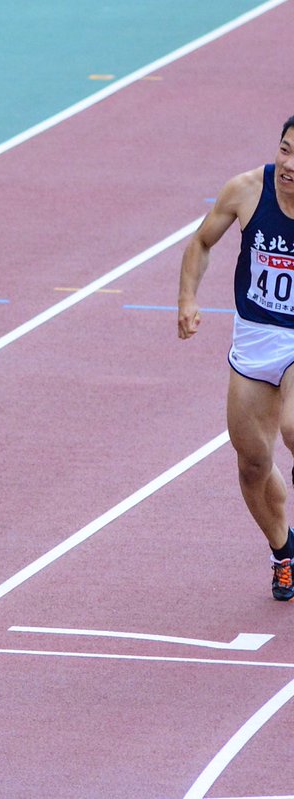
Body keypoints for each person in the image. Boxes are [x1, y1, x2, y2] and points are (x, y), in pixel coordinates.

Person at [178, 113, 294, 601]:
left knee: (293, 427)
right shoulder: (247, 190)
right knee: (252, 463)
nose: (289, 164)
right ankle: (284, 552)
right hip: (253, 340)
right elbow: (202, 242)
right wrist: (188, 298)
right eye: (285, 150)